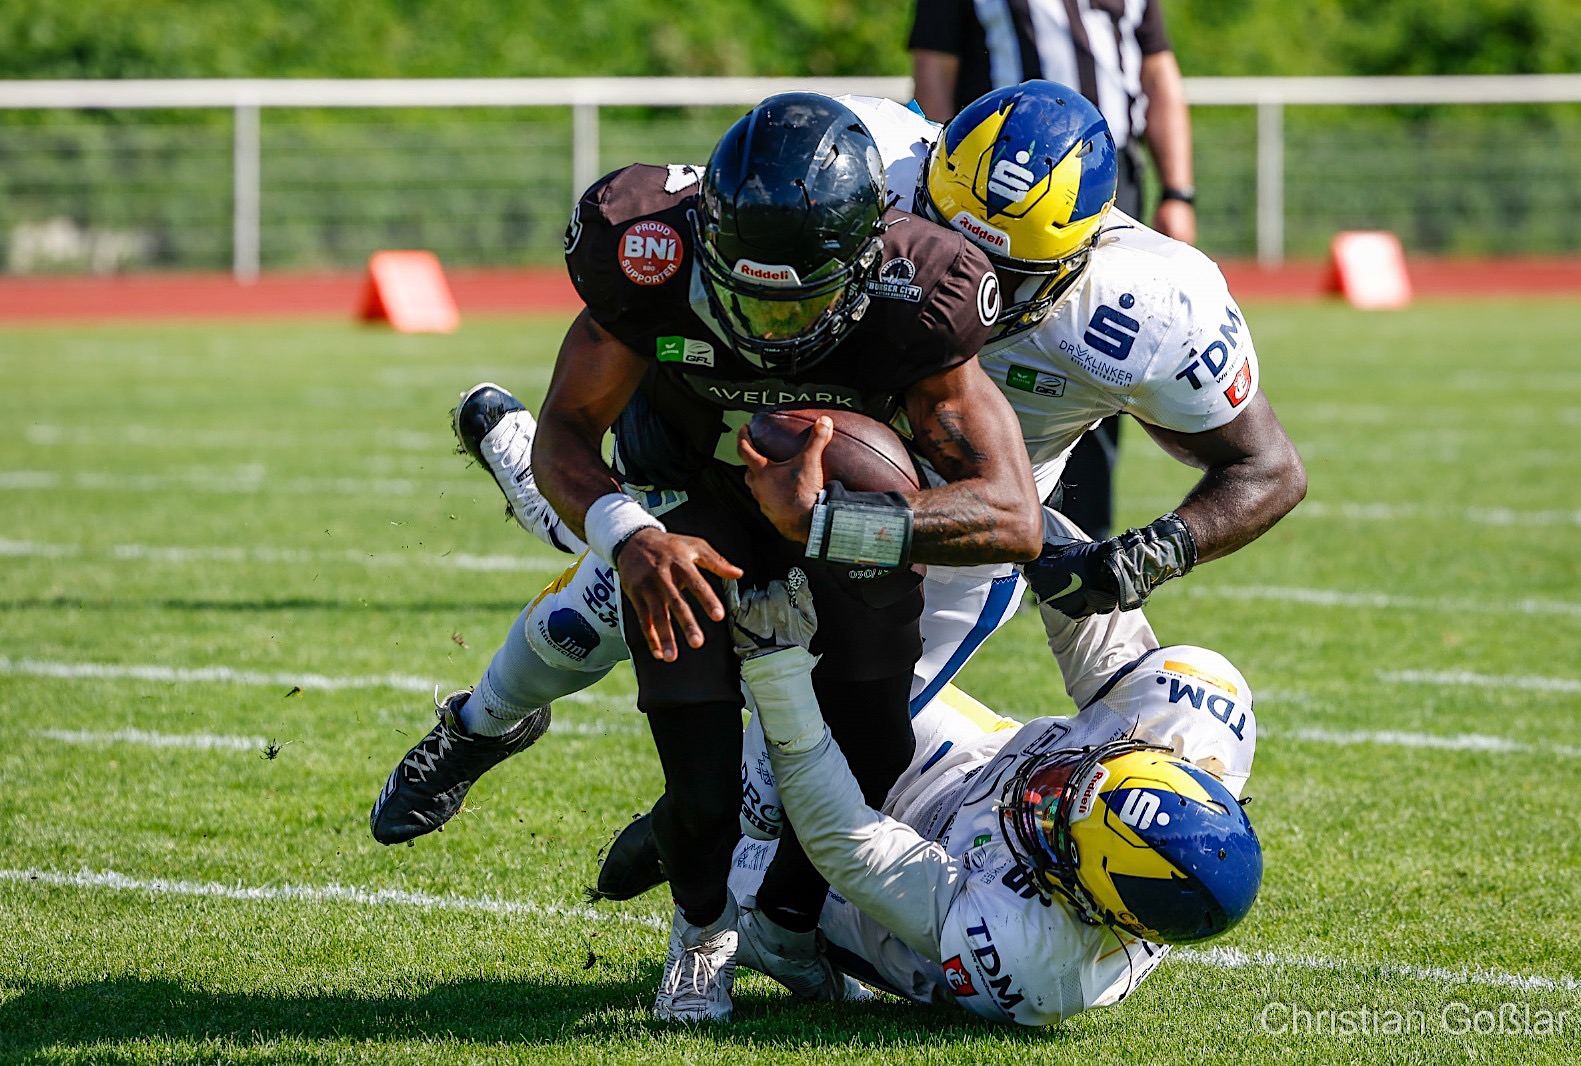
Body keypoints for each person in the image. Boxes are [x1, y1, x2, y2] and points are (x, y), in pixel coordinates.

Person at [371, 79, 1300, 896]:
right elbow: (714, 229)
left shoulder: (1153, 306)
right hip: (772, 435)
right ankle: (486, 716)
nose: (964, 271)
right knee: (617, 598)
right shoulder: (858, 150)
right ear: (922, 179)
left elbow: (1267, 467)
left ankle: (702, 845)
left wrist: (1152, 553)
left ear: (1079, 256)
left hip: (944, 525)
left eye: (1005, 271)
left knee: (812, 774)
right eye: (935, 230)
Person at [376, 91, 1043, 1025]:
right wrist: (631, 533)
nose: (770, 328)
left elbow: (1015, 517)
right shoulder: (646, 250)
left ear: (866, 261)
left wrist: (828, 523)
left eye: (799, 302)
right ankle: (698, 932)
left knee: (876, 745)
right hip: (683, 492)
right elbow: (569, 431)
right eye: (748, 294)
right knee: (692, 770)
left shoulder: (920, 293)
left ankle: (787, 921)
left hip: (835, 511)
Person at [662, 568, 1261, 1025]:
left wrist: (776, 669)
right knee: (837, 691)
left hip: (933, 908)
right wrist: (1044, 540)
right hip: (972, 770)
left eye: (1056, 816)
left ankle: (787, 945)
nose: (1050, 789)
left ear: (1097, 905)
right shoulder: (1189, 717)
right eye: (1087, 770)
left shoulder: (1033, 953)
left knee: (739, 877)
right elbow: (1086, 603)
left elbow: (844, 840)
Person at [910, 0, 1198, 541]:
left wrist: (1178, 189)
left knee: (1099, 369)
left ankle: (1076, 549)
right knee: (966, 359)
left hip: (1098, 190)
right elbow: (935, 69)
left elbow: (1157, 70)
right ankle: (964, 525)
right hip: (985, 192)